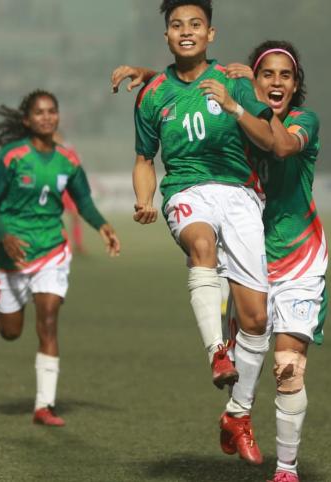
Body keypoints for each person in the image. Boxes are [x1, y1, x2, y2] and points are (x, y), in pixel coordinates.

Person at [113, 39, 327, 482]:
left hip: (300, 256)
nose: (275, 82)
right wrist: (152, 74)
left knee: (289, 368)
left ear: (295, 85)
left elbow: (282, 146)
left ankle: (285, 470)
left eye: (284, 76)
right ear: (252, 79)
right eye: (265, 74)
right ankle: (237, 413)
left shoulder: (303, 121)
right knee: (250, 332)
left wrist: (237, 102)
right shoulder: (231, 118)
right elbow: (188, 89)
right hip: (248, 250)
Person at [113, 0, 277, 465]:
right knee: (200, 244)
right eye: (176, 25)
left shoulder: (233, 81)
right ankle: (215, 352)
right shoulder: (152, 94)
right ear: (166, 36)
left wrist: (236, 102)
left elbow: (267, 140)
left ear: (211, 34)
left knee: (256, 321)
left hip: (242, 195)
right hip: (186, 190)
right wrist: (145, 198)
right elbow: (145, 159)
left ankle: (237, 415)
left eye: (195, 24)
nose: (186, 31)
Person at [0, 89, 120, 427]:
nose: (47, 117)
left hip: (52, 249)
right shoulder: (11, 157)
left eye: (52, 111)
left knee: (49, 320)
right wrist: (4, 236)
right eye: (39, 112)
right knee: (11, 332)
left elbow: (83, 201)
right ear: (27, 120)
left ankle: (44, 406)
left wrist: (103, 226)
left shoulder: (68, 160)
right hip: (11, 254)